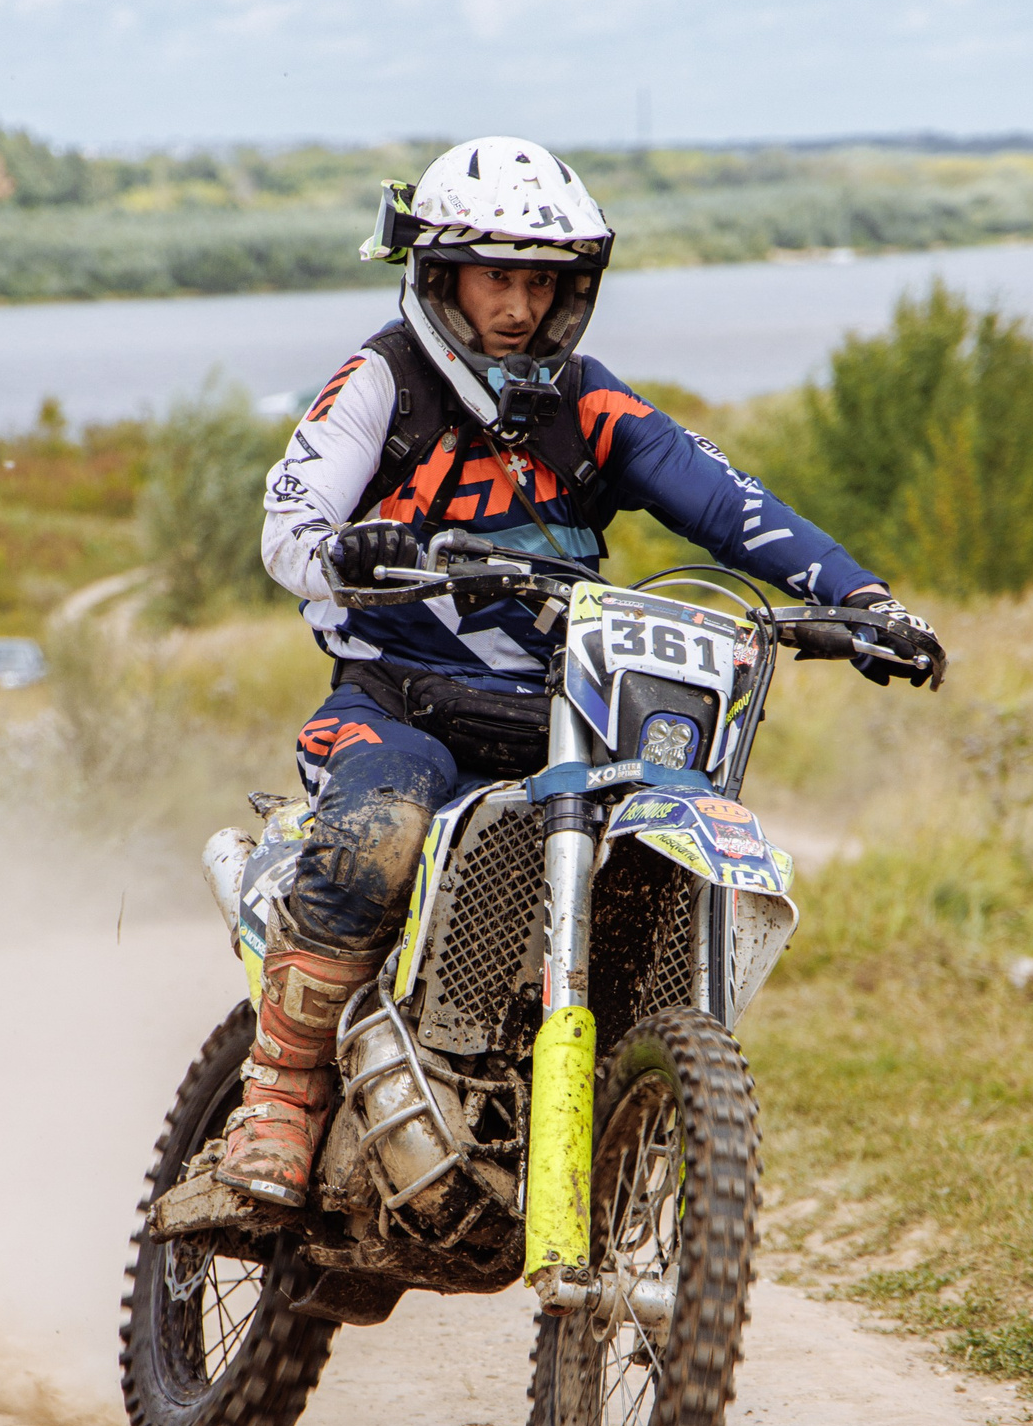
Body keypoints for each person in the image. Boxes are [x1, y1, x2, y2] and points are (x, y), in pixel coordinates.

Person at [223, 135, 943, 1206]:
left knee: (648, 860)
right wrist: (342, 550)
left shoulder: (587, 402)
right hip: (398, 705)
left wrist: (863, 598)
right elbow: (288, 522)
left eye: (543, 282)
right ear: (440, 275)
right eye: (496, 277)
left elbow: (728, 502)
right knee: (379, 835)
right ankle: (279, 1094)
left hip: (559, 716)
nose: (520, 306)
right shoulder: (386, 381)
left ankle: (618, 1094)